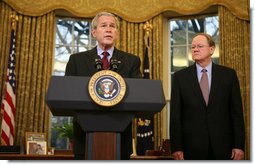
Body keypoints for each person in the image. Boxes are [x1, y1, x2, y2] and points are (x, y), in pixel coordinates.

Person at [65, 12, 142, 160]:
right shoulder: (77, 61)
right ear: (94, 32)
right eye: (104, 26)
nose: (108, 29)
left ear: (117, 33)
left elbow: (138, 95)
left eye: (112, 26)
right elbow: (68, 94)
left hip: (120, 138)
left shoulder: (131, 61)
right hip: (85, 139)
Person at [170, 33, 245, 160]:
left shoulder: (228, 75)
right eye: (193, 47)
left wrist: (239, 145)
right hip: (191, 147)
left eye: (200, 46)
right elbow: (175, 116)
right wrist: (177, 147)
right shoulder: (180, 77)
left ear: (212, 49)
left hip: (223, 146)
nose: (195, 49)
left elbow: (236, 113)